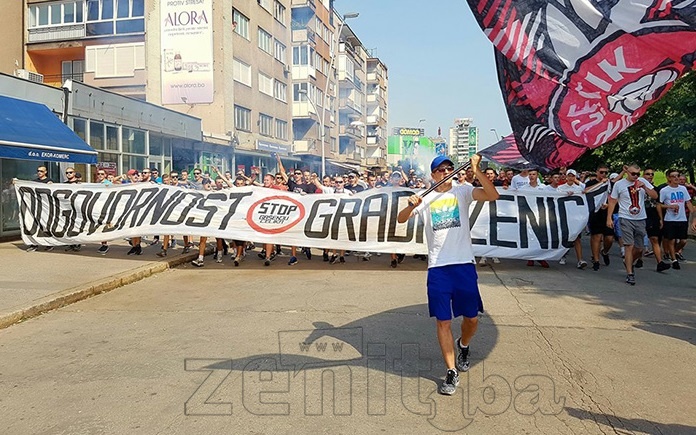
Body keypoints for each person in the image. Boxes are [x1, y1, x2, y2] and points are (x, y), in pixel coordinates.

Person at [397, 154, 499, 396]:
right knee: (443, 321)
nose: (446, 172)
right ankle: (451, 370)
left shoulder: (462, 191)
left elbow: (493, 195)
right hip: (438, 267)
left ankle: (463, 345)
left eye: (449, 168)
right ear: (433, 175)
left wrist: (476, 170)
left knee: (471, 318)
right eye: (440, 170)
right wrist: (411, 204)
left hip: (463, 264)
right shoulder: (425, 197)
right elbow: (401, 219)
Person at [606, 164, 658, 285]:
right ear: (627, 172)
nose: (635, 176)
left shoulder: (642, 181)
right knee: (629, 245)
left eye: (637, 174)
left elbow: (655, 196)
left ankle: (629, 262)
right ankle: (630, 273)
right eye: (633, 173)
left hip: (640, 218)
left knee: (640, 249)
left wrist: (644, 186)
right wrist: (609, 218)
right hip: (625, 217)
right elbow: (612, 201)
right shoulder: (619, 184)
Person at [659, 169, 696, 270]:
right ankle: (674, 260)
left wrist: (694, 218)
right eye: (673, 176)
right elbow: (659, 205)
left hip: (682, 218)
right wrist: (669, 206)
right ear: (669, 178)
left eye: (677, 176)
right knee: (672, 240)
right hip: (670, 219)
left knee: (683, 241)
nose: (676, 178)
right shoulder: (664, 190)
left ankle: (674, 252)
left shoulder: (683, 189)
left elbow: (688, 202)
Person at [556, 169, 587, 268]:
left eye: (572, 176)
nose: (570, 178)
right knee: (564, 237)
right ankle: (562, 255)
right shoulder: (560, 188)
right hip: (564, 216)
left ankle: (580, 259)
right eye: (569, 176)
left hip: (575, 217)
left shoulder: (579, 189)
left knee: (576, 238)